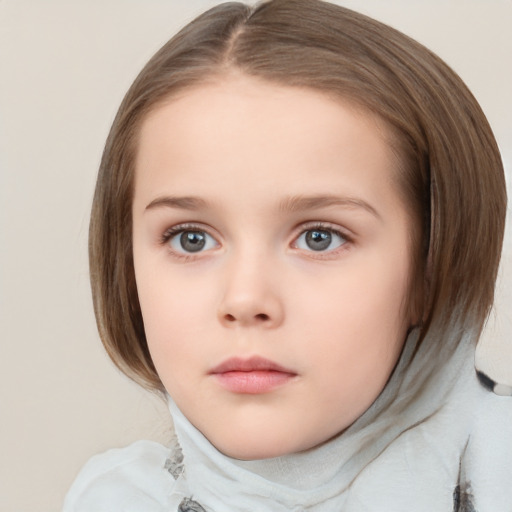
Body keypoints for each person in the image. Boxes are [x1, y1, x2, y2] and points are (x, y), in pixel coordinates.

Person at [63, 0, 511, 510]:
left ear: (431, 270)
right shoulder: (113, 499)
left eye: (320, 237)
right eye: (191, 238)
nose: (246, 299)